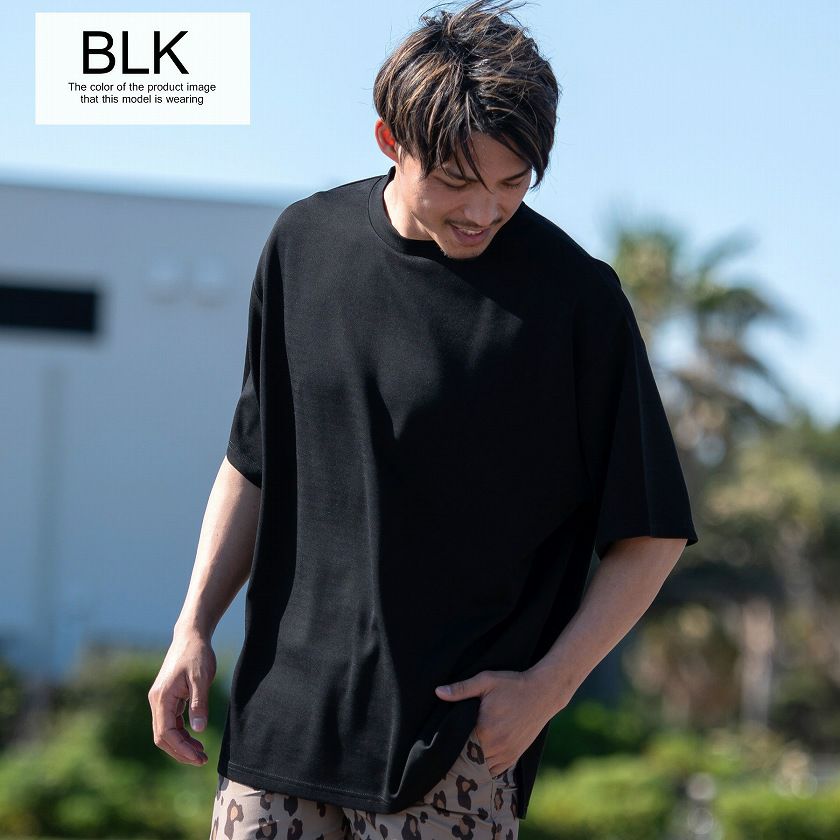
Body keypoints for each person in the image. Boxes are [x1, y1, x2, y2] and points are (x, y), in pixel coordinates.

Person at [148, 1, 698, 837]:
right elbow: (254, 461)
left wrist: (546, 690)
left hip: (450, 748)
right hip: (278, 730)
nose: (484, 211)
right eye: (457, 182)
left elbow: (651, 533)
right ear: (389, 141)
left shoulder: (574, 301)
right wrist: (192, 627)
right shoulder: (303, 246)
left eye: (513, 182)